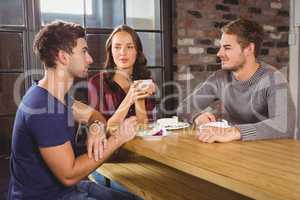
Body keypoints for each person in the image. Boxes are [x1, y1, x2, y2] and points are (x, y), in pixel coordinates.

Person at [8, 20, 139, 200]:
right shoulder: (42, 107)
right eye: (84, 52)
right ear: (63, 57)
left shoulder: (58, 97)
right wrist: (118, 138)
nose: (90, 59)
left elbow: (94, 115)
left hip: (65, 190)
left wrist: (96, 128)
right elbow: (69, 175)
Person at [177, 18, 296, 143]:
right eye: (221, 47)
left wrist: (235, 132)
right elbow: (184, 107)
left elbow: (284, 126)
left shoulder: (273, 79)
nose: (219, 53)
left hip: (269, 153)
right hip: (234, 150)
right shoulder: (219, 78)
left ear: (249, 49)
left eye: (227, 48)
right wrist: (197, 117)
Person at [88, 25, 156, 130]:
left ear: (137, 51)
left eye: (129, 47)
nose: (123, 53)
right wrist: (129, 98)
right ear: (111, 51)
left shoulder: (145, 82)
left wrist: (139, 100)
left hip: (139, 145)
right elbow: (105, 131)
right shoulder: (97, 83)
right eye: (117, 47)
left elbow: (144, 129)